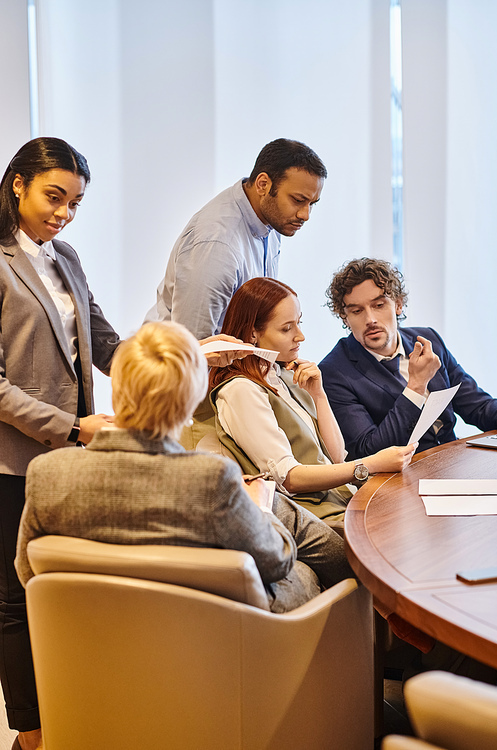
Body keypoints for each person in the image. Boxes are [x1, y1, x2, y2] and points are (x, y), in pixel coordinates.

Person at [16, 321, 353, 617]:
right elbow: (277, 561)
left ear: (117, 389)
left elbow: (29, 573)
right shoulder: (213, 480)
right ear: (189, 402)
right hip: (226, 649)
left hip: (93, 647)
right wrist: (261, 505)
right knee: (313, 558)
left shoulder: (47, 474)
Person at [0, 137, 122, 750]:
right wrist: (73, 426)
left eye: (74, 203)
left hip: (69, 461)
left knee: (66, 590)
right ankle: (32, 732)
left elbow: (100, 337)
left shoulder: (64, 256)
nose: (64, 213)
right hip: (13, 464)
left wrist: (163, 362)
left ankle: (73, 710)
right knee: (15, 600)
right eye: (55, 197)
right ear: (16, 184)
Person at [208, 278, 416, 529]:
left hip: (341, 501)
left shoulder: (284, 377)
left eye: (299, 323)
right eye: (287, 329)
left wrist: (319, 396)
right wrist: (370, 464)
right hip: (317, 516)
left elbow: (336, 456)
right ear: (253, 333)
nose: (300, 336)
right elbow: (291, 478)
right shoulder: (241, 390)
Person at [145, 138, 327, 340]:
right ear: (263, 185)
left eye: (312, 204)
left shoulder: (272, 218)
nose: (305, 214)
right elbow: (195, 348)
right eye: (298, 200)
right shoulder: (218, 244)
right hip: (176, 365)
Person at [319, 258, 497, 460]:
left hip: (451, 463)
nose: (370, 319)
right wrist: (416, 386)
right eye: (357, 311)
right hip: (395, 480)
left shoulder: (428, 340)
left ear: (398, 305)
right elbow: (368, 451)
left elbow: (479, 406)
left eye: (378, 305)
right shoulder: (334, 372)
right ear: (345, 317)